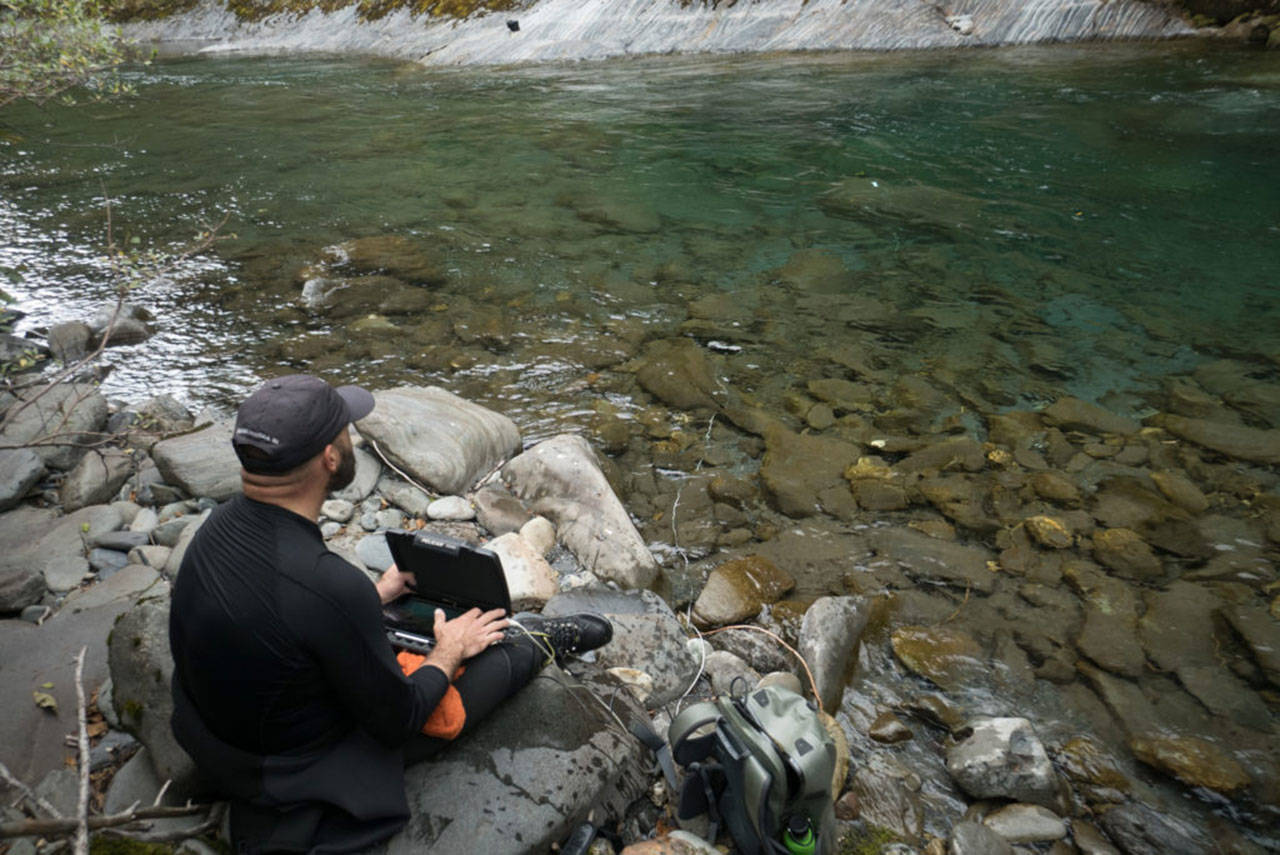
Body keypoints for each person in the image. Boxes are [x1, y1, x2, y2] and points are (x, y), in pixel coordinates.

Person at [168, 374, 612, 854]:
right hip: (292, 768)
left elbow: (277, 609)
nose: (351, 436)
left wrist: (372, 597)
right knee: (482, 659)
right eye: (345, 430)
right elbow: (399, 719)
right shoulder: (325, 585)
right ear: (330, 458)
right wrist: (447, 652)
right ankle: (538, 641)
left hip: (217, 740)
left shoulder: (217, 528)